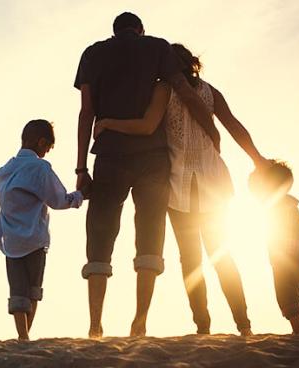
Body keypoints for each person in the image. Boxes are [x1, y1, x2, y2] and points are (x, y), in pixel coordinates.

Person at [94, 44, 268, 336]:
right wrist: (257, 159)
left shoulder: (163, 90)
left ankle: (203, 327)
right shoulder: (210, 91)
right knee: (221, 255)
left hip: (179, 186)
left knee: (191, 260)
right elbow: (234, 127)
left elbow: (148, 126)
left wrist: (110, 123)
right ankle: (244, 325)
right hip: (215, 184)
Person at [75, 12, 223, 338]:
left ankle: (95, 323)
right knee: (149, 234)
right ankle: (140, 320)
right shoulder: (158, 48)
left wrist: (81, 168)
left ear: (114, 32)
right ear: (140, 30)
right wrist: (212, 130)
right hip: (153, 158)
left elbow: (87, 111)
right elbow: (184, 91)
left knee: (100, 235)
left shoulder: (93, 54)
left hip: (109, 155)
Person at [0, 119, 84, 341]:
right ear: (42, 142)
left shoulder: (6, 170)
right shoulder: (40, 168)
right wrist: (79, 197)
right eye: (47, 148)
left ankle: (22, 334)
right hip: (34, 238)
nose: (46, 153)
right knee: (33, 290)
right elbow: (58, 199)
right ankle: (25, 337)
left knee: (17, 290)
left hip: (10, 239)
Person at [249, 160, 299, 335]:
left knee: (286, 294)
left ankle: (298, 331)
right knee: (291, 293)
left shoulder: (275, 203)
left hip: (285, 257)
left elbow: (252, 186)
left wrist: (258, 169)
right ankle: (297, 330)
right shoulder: (290, 205)